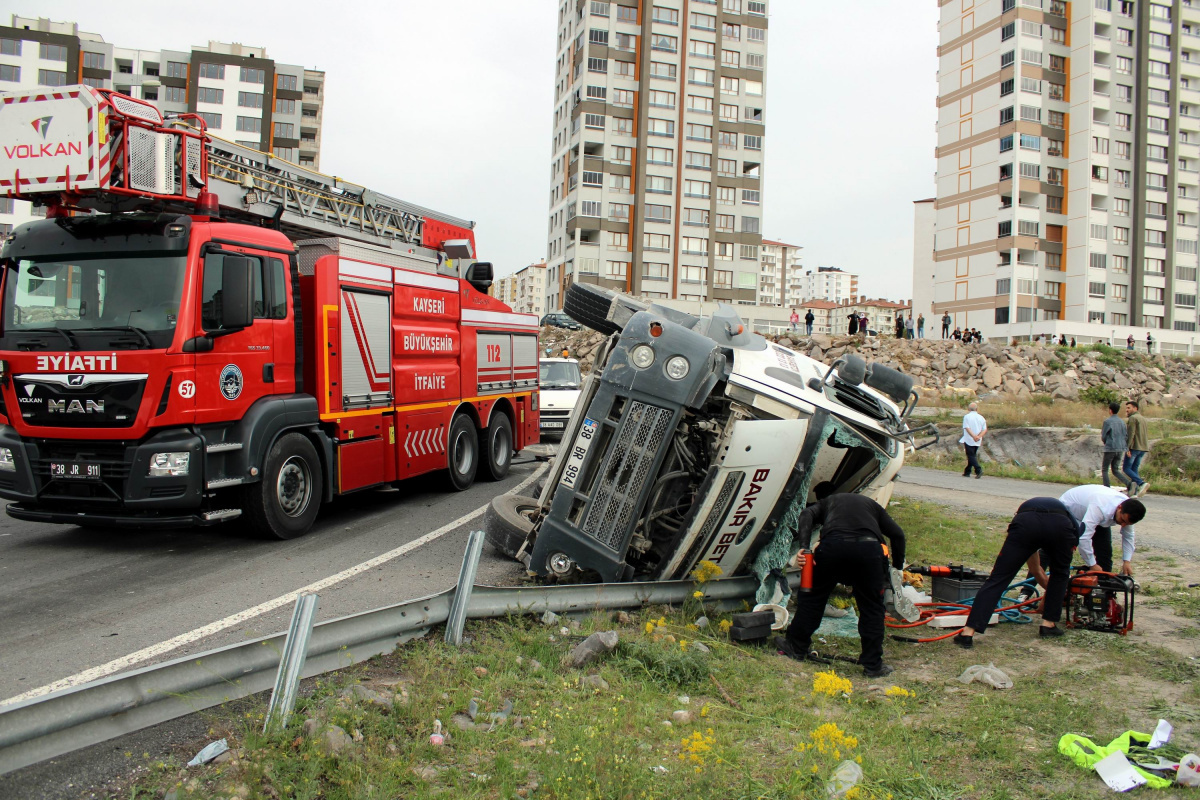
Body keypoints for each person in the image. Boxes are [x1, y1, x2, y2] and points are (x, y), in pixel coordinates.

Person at [775, 486, 906, 678]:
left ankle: (796, 646)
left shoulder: (827, 502)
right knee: (871, 608)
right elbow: (898, 535)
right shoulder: (871, 505)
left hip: (833, 549)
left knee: (813, 598)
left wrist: (804, 547)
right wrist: (897, 568)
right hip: (869, 553)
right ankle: (873, 665)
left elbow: (806, 514)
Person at [953, 497, 1084, 647]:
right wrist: (1051, 601)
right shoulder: (1072, 525)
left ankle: (968, 633)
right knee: (1060, 574)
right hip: (1059, 526)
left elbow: (1031, 555)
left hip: (1026, 522)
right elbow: (1051, 572)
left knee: (998, 578)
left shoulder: (1026, 514)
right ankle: (1048, 624)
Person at [1059, 484, 1146, 576]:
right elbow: (1084, 538)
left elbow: (1128, 536)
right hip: (1069, 509)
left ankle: (1104, 585)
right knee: (1062, 548)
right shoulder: (1100, 507)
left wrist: (1127, 561)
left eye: (1127, 523)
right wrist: (1092, 564)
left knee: (1105, 553)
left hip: (1094, 513)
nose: (1123, 525)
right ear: (1120, 508)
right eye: (1123, 520)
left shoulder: (1128, 512)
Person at [1101, 402, 1133, 491]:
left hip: (1111, 447)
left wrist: (1106, 442)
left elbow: (1104, 436)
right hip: (1120, 448)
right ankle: (1129, 484)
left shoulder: (1107, 421)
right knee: (1115, 469)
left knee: (1105, 469)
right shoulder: (1122, 422)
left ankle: (1106, 488)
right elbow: (1125, 435)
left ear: (1110, 410)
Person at [1123, 400, 1150, 497]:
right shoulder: (1142, 418)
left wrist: (1127, 448)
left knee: (1126, 468)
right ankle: (1135, 492)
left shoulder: (1133, 418)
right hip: (1143, 447)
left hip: (1134, 447)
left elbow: (1131, 434)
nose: (1127, 410)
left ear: (1135, 408)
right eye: (1126, 408)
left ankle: (1141, 483)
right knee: (1134, 469)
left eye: (1129, 408)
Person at [961, 402, 987, 478]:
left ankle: (978, 470)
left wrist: (973, 436)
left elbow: (967, 427)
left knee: (970, 455)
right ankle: (967, 471)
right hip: (978, 440)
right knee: (972, 455)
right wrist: (978, 437)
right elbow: (984, 429)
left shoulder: (967, 417)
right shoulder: (981, 418)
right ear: (976, 409)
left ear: (968, 409)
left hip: (969, 439)